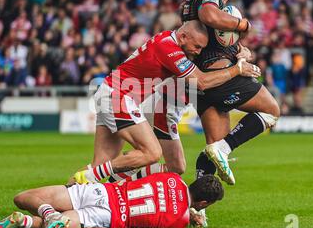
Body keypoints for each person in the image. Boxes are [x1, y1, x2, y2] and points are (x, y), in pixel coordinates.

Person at [70, 20, 260, 185]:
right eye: (197, 46)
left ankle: (68, 194)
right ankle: (99, 179)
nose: (198, 51)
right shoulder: (168, 49)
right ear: (184, 37)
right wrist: (238, 69)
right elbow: (201, 81)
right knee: (151, 153)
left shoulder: (171, 42)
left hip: (111, 94)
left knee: (102, 161)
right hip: (118, 96)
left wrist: (237, 50)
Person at [178, 0, 280, 187]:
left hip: (202, 83)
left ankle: (196, 206)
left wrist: (240, 49)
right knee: (271, 111)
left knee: (212, 152)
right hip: (223, 77)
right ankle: (223, 148)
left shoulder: (191, 2)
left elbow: (213, 34)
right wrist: (242, 24)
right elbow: (210, 16)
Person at [0, 173, 223, 228]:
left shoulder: (172, 177)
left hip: (102, 191)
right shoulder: (180, 221)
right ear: (203, 202)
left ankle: (38, 213)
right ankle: (30, 221)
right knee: (53, 227)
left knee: (22, 198)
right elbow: (174, 210)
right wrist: (193, 217)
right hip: (109, 217)